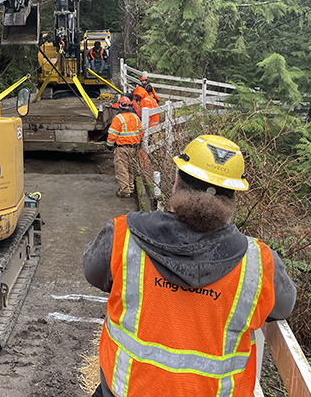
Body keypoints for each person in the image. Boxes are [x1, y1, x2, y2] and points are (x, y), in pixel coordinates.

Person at [84, 135, 297, 397]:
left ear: (176, 183)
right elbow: (283, 306)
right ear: (232, 198)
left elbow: (93, 272)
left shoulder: (123, 235)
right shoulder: (259, 264)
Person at [106, 96, 144, 198]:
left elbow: (112, 134)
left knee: (121, 168)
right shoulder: (135, 117)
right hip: (134, 147)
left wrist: (109, 146)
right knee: (130, 167)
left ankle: (124, 190)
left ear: (120, 106)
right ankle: (130, 187)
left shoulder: (118, 118)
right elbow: (141, 132)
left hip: (122, 147)